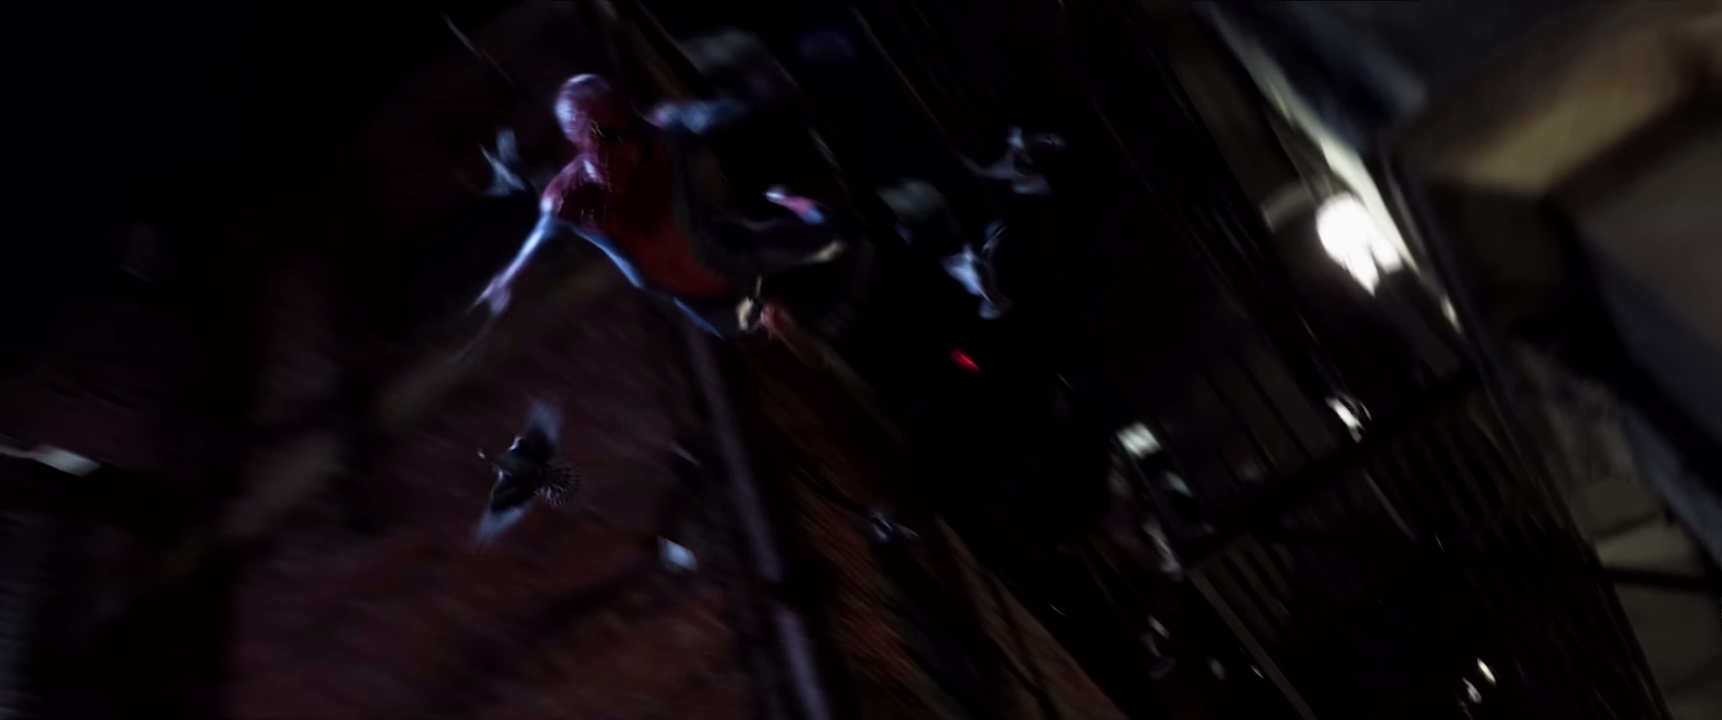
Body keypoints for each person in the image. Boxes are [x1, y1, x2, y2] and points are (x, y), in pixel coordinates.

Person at [475, 74, 845, 337]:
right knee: (746, 324)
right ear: (581, 140)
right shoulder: (568, 198)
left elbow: (714, 114)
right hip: (702, 298)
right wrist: (507, 278)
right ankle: (783, 291)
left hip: (731, 255)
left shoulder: (663, 135)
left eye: (622, 131)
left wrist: (781, 95)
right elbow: (543, 234)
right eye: (604, 137)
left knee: (831, 241)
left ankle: (794, 203)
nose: (623, 151)